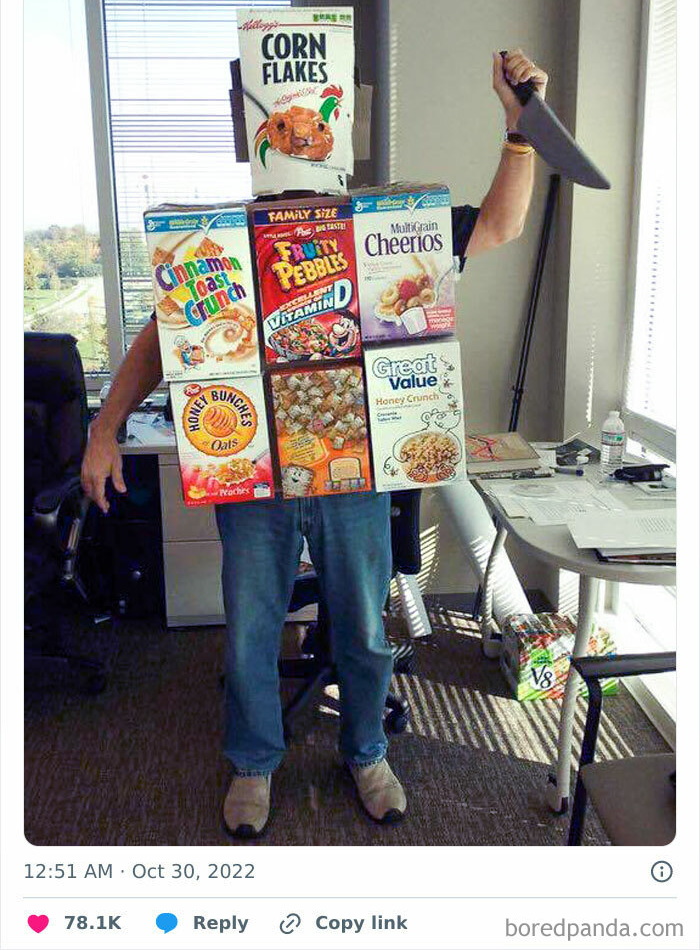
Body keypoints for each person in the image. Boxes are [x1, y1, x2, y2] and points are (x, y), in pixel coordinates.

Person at [81, 48, 548, 839]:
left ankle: (366, 750)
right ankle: (255, 762)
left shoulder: (389, 228)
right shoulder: (219, 240)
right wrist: (103, 427)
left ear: (337, 127)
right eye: (278, 123)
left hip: (356, 474)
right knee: (253, 630)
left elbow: (501, 223)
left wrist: (520, 126)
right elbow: (162, 341)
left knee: (364, 630)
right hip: (254, 477)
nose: (296, 138)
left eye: (310, 122)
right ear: (257, 131)